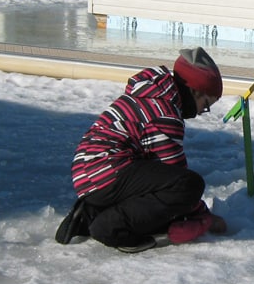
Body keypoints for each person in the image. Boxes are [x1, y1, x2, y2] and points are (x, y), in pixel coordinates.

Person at [55, 47, 228, 253]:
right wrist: (202, 215)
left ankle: (90, 213)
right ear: (194, 91)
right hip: (107, 171)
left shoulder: (151, 94)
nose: (201, 112)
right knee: (188, 185)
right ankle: (112, 228)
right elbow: (175, 171)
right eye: (205, 104)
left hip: (89, 172)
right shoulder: (165, 113)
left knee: (156, 181)